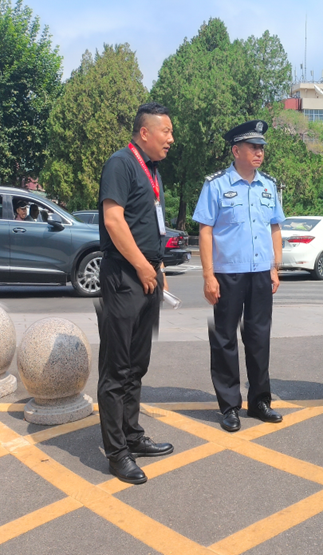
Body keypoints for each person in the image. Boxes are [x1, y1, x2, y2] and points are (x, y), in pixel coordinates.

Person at [96, 103, 175, 485]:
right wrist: (143, 266)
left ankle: (132, 434)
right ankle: (116, 453)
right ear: (145, 132)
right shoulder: (120, 163)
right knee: (116, 368)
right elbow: (113, 219)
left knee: (137, 364)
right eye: (167, 132)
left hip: (147, 277)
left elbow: (148, 224)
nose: (171, 140)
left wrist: (157, 267)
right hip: (124, 277)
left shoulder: (153, 171)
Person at [192, 120, 286, 433]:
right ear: (236, 150)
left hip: (260, 273)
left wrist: (275, 267)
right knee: (225, 339)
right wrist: (208, 275)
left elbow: (275, 228)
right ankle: (229, 406)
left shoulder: (268, 185)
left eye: (261, 147)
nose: (260, 152)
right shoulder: (216, 185)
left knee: (259, 338)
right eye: (253, 147)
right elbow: (205, 230)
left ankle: (260, 401)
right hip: (228, 274)